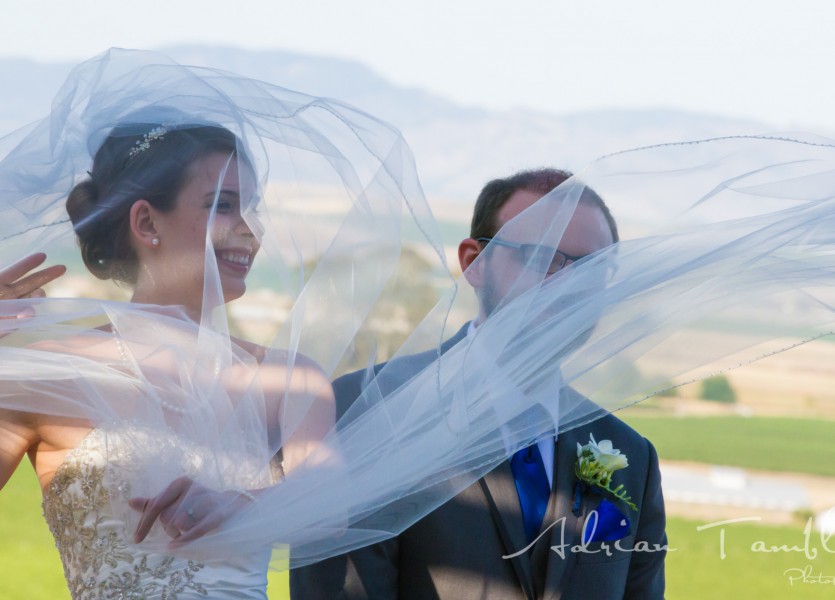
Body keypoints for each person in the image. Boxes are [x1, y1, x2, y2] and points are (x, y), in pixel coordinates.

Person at [291, 168, 666, 599]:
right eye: (540, 257)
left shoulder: (630, 455)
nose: (567, 285)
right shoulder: (368, 404)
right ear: (474, 262)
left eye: (591, 268)